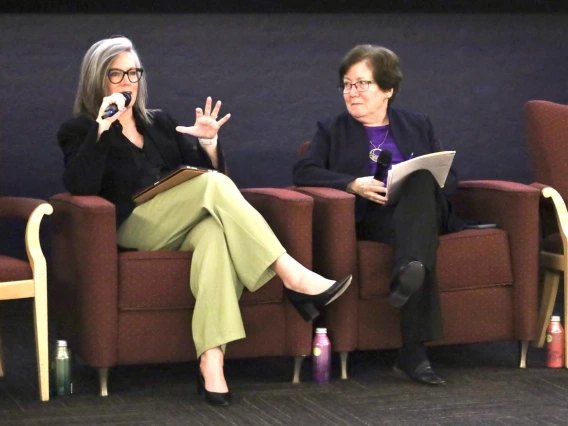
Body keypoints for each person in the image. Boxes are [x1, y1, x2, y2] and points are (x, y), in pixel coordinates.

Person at [57, 36, 352, 406]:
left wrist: (209, 144)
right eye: (116, 74)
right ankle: (290, 273)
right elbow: (80, 185)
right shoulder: (80, 129)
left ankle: (211, 363)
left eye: (133, 73)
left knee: (213, 233)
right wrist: (101, 126)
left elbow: (211, 181)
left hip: (182, 220)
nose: (126, 82)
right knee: (210, 186)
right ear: (98, 79)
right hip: (133, 224)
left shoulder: (159, 123)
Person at [293, 44, 465, 386]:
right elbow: (304, 171)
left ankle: (409, 269)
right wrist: (352, 184)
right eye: (346, 84)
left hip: (420, 212)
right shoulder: (332, 129)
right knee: (417, 248)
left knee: (418, 181)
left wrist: (421, 182)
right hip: (374, 217)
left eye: (362, 84)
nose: (351, 92)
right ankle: (413, 348)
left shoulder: (418, 124)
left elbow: (450, 182)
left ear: (388, 89)